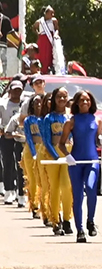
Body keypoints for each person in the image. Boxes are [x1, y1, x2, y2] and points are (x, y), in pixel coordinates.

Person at [59, 90, 101, 242]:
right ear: (76, 103)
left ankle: (91, 221)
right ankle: (80, 230)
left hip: (92, 161)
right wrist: (68, 156)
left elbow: (97, 141)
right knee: (77, 195)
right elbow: (61, 144)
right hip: (76, 162)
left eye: (87, 100)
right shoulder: (71, 121)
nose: (85, 103)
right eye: (82, 100)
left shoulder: (97, 121)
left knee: (90, 188)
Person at [40, 87, 74, 235]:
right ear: (54, 99)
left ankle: (67, 219)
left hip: (68, 153)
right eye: (58, 96)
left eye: (64, 96)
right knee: (53, 188)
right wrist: (56, 156)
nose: (61, 99)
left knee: (67, 187)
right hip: (51, 154)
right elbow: (46, 140)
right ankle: (56, 220)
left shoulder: (70, 118)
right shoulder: (49, 118)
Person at [22, 93, 47, 223]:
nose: (38, 104)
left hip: (43, 150)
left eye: (40, 102)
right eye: (35, 102)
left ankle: (45, 207)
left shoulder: (45, 119)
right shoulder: (28, 120)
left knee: (43, 180)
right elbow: (29, 138)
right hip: (31, 151)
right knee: (32, 180)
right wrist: (33, 153)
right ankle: (34, 206)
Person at [1, 79, 24, 205]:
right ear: (10, 91)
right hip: (7, 136)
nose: (16, 93)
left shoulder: (24, 104)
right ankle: (8, 190)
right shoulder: (3, 104)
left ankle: (21, 193)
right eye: (14, 90)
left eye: (19, 90)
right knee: (8, 164)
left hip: (21, 137)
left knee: (20, 166)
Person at [35, 7, 58, 74]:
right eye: (51, 13)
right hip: (42, 40)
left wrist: (56, 34)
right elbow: (34, 27)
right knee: (41, 55)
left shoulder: (54, 20)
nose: (52, 15)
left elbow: (57, 29)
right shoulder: (39, 21)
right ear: (46, 13)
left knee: (49, 55)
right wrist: (38, 34)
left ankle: (49, 70)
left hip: (50, 40)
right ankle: (41, 70)